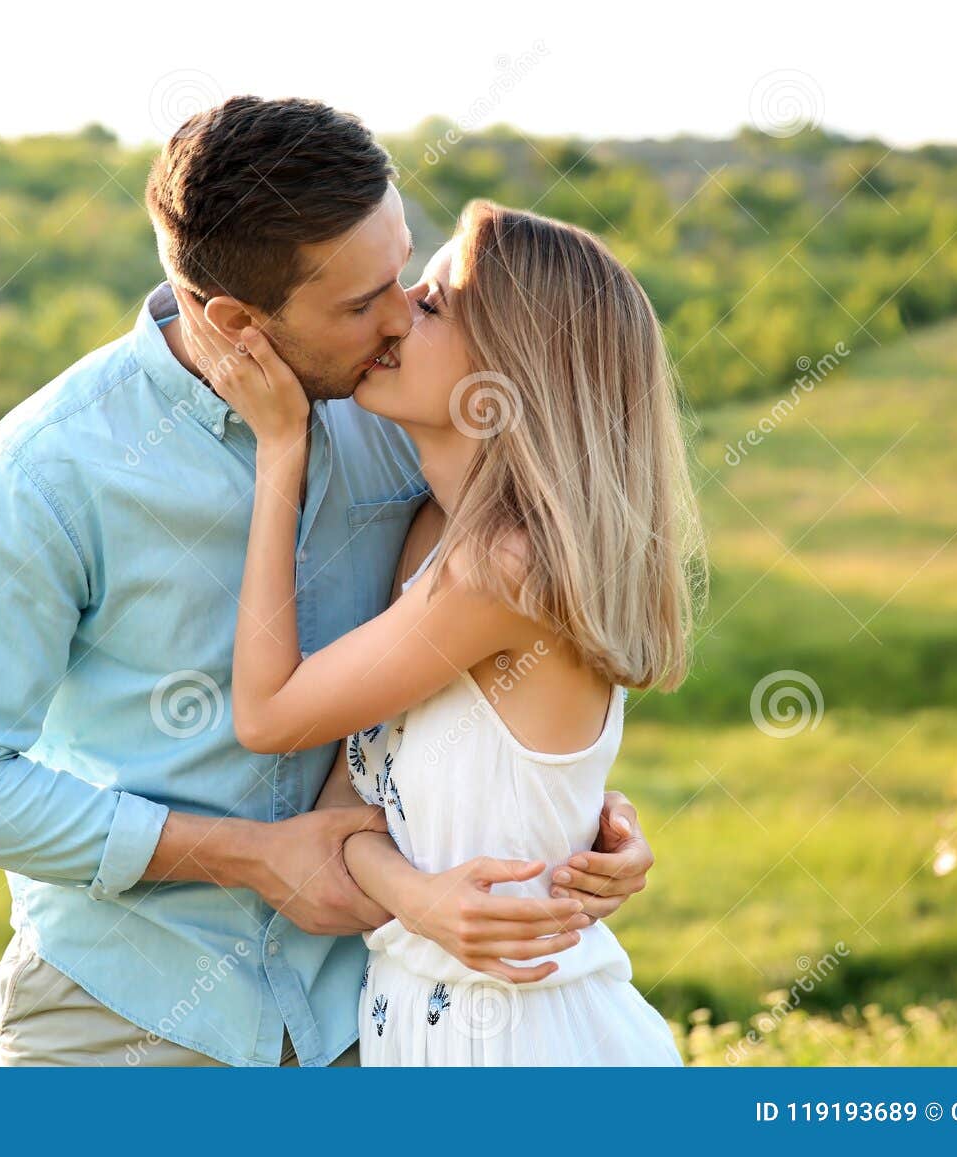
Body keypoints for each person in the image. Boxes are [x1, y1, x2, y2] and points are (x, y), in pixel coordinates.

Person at [0, 97, 658, 1068]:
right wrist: (251, 856)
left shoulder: (409, 412)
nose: (396, 318)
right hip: (126, 1012)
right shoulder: (51, 469)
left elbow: (497, 632)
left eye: (404, 274)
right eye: (358, 304)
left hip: (370, 1012)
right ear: (236, 321)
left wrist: (574, 813)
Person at [188, 198, 701, 1064]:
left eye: (430, 304)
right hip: (422, 1024)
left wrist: (284, 449)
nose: (395, 314)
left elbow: (268, 714)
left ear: (512, 368)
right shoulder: (437, 538)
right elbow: (357, 812)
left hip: (525, 1040)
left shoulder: (501, 571)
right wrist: (418, 897)